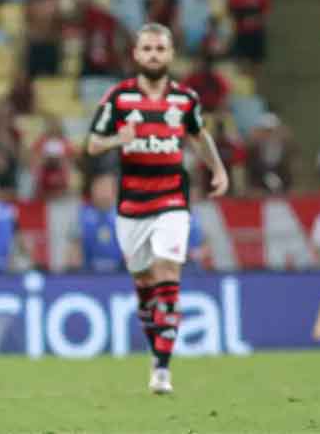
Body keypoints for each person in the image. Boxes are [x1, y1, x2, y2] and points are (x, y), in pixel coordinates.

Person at [86, 23, 229, 394]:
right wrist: (121, 138)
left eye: (159, 49)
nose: (153, 54)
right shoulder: (118, 98)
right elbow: (93, 145)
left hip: (172, 200)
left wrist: (217, 169)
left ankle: (162, 370)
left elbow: (199, 136)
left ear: (170, 54)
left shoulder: (185, 100)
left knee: (168, 272)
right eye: (146, 48)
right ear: (136, 54)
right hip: (131, 204)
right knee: (145, 284)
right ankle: (157, 350)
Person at [66, 173, 124, 273]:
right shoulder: (81, 215)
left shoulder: (125, 216)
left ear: (114, 190)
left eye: (105, 188)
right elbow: (74, 250)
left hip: (120, 275)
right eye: (97, 187)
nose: (101, 192)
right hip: (88, 275)